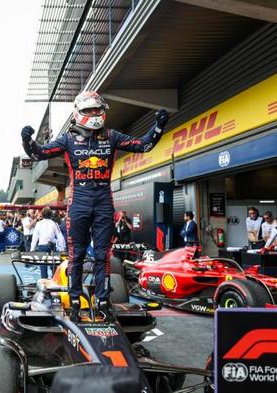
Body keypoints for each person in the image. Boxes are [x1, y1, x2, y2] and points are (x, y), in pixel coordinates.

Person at [21, 91, 169, 321]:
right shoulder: (68, 139)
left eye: (97, 109)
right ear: (79, 112)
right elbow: (39, 153)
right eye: (89, 110)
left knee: (103, 255)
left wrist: (158, 126)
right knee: (76, 254)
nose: (93, 114)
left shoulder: (111, 136)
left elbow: (143, 145)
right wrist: (27, 140)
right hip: (78, 201)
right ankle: (74, 302)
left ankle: (102, 301)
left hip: (103, 200)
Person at [31, 207, 66, 279]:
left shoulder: (39, 224)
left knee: (43, 266)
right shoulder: (54, 223)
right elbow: (60, 237)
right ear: (51, 215)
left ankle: (44, 282)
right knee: (54, 264)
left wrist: (32, 249)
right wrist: (63, 248)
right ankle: (55, 280)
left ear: (42, 215)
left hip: (42, 246)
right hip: (52, 246)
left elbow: (35, 237)